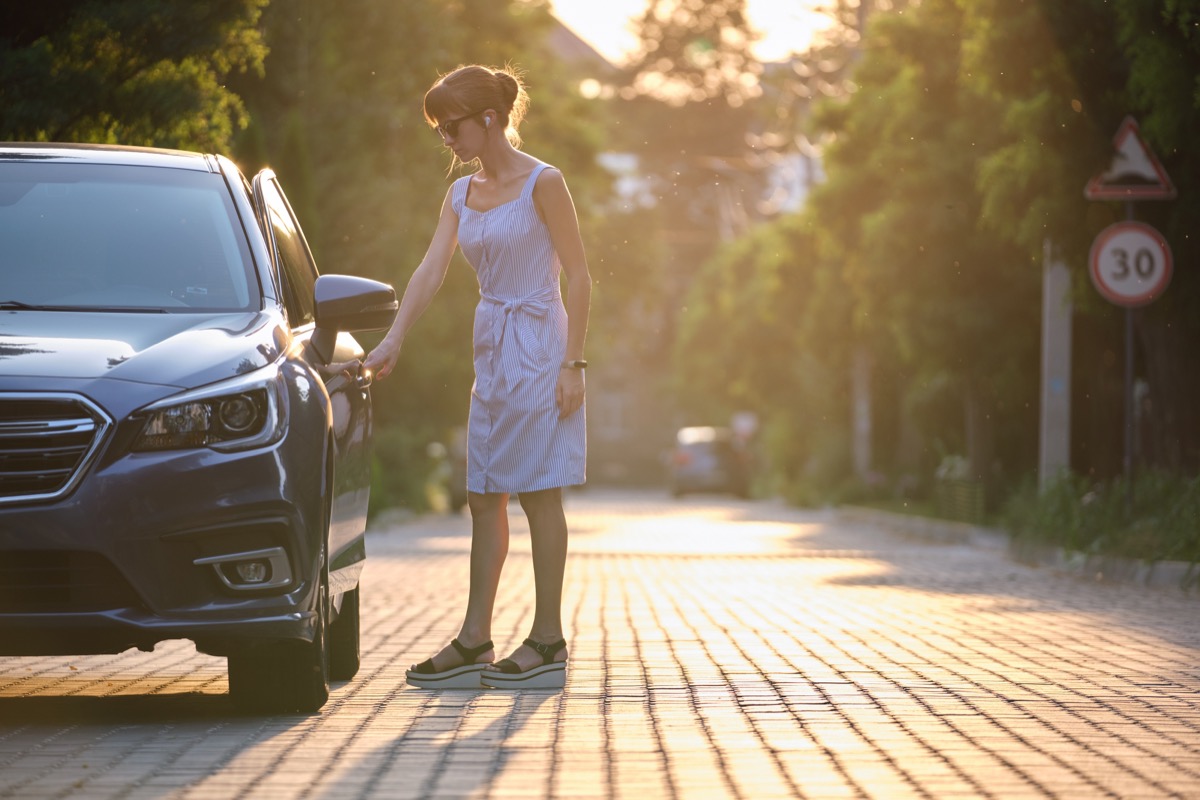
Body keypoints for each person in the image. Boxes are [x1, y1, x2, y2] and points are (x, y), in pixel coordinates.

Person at [363, 65, 590, 690]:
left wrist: (573, 364)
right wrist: (394, 338)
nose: (448, 141)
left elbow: (579, 275)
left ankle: (547, 641)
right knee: (483, 494)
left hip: (542, 344)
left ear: (489, 119)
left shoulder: (545, 181)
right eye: (440, 132)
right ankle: (475, 639)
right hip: (490, 347)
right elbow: (430, 270)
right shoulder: (460, 194)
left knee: (541, 490)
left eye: (452, 127)